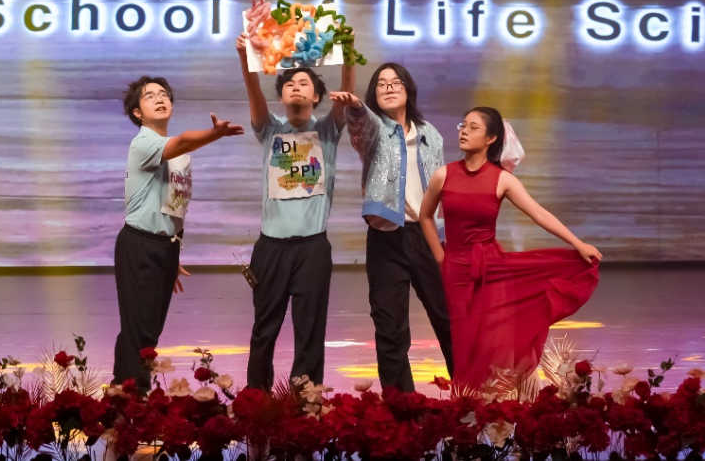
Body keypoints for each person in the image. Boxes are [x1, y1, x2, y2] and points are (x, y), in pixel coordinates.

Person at [418, 106, 602, 391]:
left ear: (491, 138)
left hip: (491, 267)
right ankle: (468, 403)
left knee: (493, 340)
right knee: (463, 338)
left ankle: (502, 402)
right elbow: (425, 216)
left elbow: (539, 213)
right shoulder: (444, 175)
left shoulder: (501, 179)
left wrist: (578, 244)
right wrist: (441, 258)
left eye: (473, 127)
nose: (464, 131)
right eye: (463, 125)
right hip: (455, 269)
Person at [236, 33, 356, 389]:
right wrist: (245, 57)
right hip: (270, 247)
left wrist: (349, 53)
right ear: (282, 97)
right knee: (264, 328)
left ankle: (306, 401)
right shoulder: (271, 129)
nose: (296, 87)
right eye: (289, 84)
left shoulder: (327, 131)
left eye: (304, 83)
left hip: (312, 247)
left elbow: (347, 92)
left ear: (317, 96)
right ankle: (257, 400)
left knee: (309, 329)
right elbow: (253, 91)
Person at [112, 75, 244, 391]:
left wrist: (172, 253)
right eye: (150, 96)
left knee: (148, 330)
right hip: (140, 244)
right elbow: (183, 141)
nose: (160, 98)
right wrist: (214, 134)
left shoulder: (177, 154)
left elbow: (174, 206)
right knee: (140, 331)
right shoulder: (144, 142)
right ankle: (133, 397)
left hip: (164, 247)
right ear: (137, 113)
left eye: (164, 94)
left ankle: (125, 393)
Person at [330, 62, 451, 392]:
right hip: (386, 238)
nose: (388, 88)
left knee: (449, 318)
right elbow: (361, 126)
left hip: (429, 238)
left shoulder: (431, 134)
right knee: (390, 328)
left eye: (395, 82)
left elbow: (444, 186)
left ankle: (468, 397)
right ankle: (402, 407)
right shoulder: (375, 131)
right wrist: (356, 106)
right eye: (381, 84)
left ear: (408, 90)